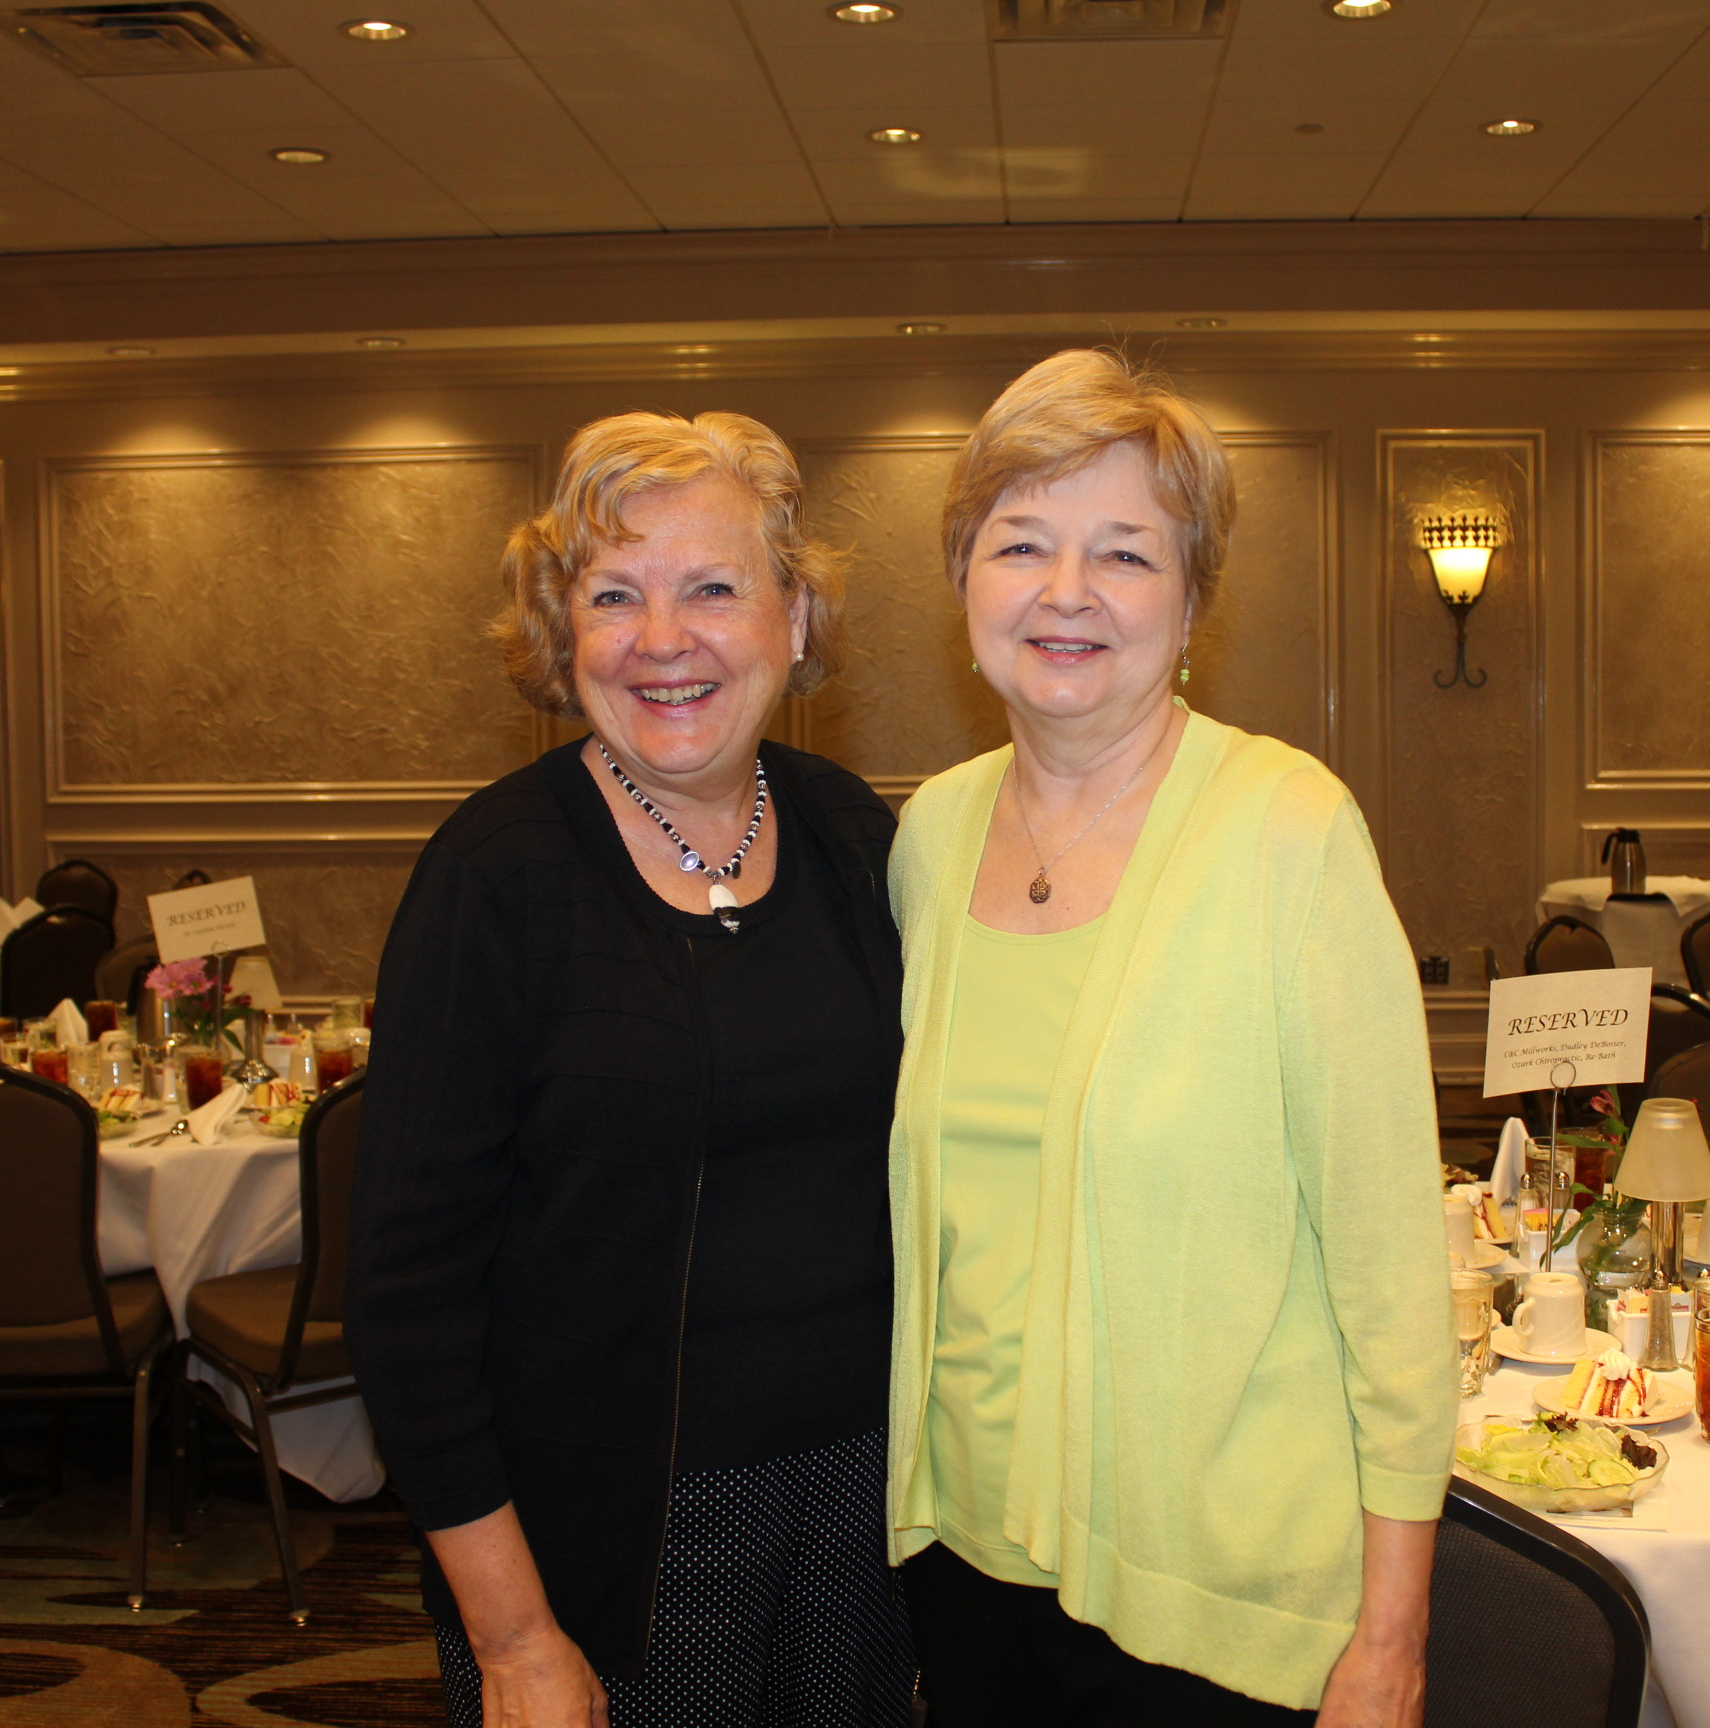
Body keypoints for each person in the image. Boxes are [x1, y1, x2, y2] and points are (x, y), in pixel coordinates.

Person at [886, 350, 1452, 1726]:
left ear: (1192, 601)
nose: (1067, 591)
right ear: (965, 581)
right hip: (961, 1563)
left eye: (1126, 553)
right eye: (1022, 543)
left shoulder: (1288, 832)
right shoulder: (930, 836)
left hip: (1210, 1599)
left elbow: (1390, 1272)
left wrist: (1391, 1636)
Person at [347, 411, 913, 1728]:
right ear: (563, 634)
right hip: (608, 1542)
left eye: (712, 588)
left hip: (863, 1510)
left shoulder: (853, 836)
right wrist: (513, 1637)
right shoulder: (495, 878)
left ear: (796, 618)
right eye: (614, 596)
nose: (664, 639)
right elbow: (406, 1301)